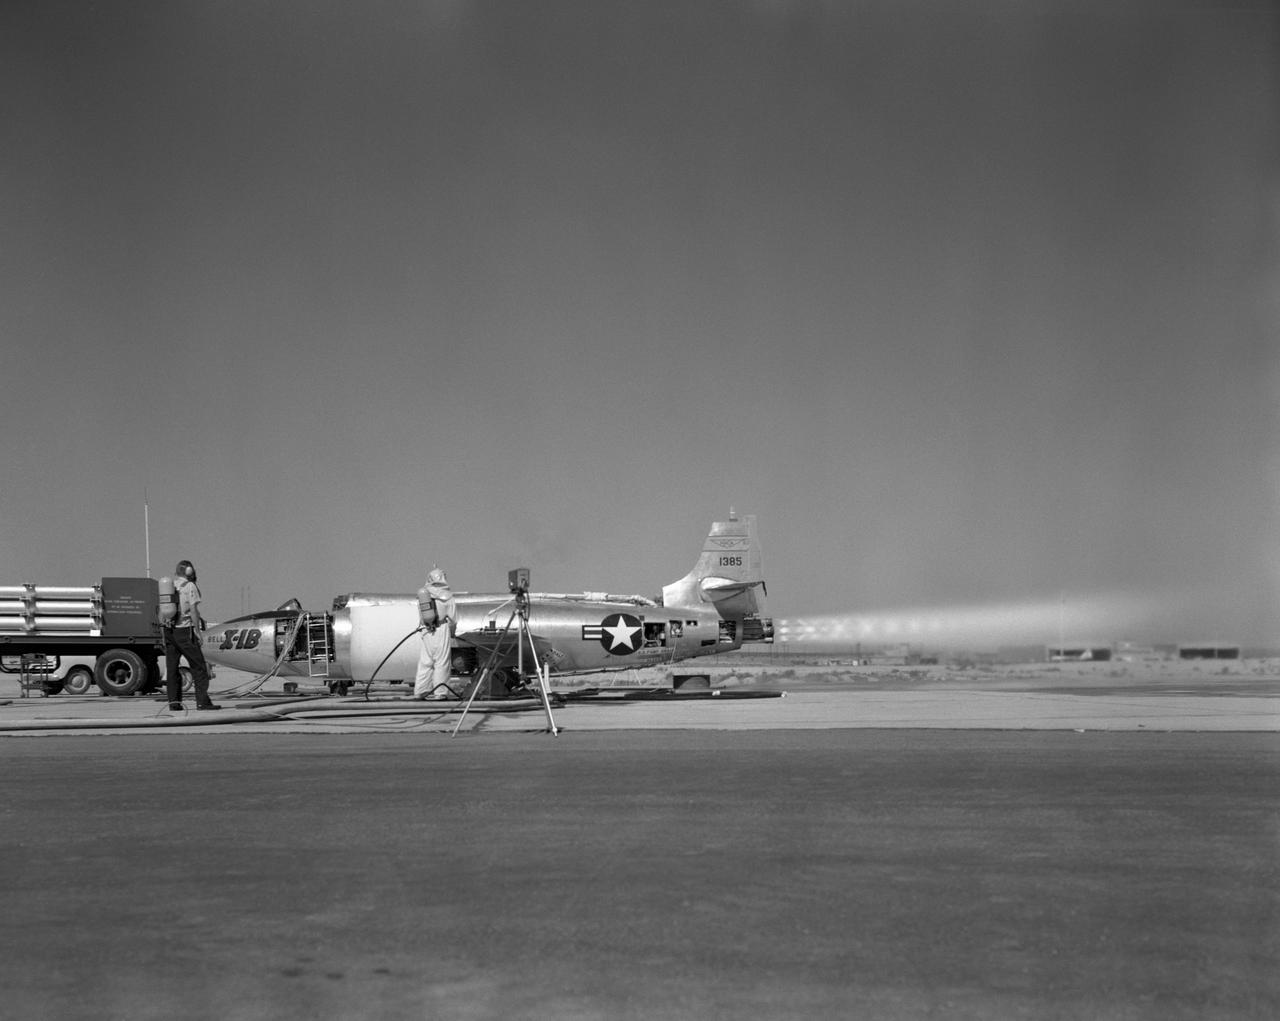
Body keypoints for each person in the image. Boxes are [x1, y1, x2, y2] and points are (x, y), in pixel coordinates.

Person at [165, 559, 219, 711]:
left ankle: (174, 704)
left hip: (169, 632)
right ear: (190, 572)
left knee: (172, 669)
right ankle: (203, 702)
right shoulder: (190, 586)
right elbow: (194, 611)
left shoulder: (170, 586)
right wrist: (198, 631)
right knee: (199, 667)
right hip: (185, 631)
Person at [413, 566, 456, 700]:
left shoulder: (423, 595)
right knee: (441, 662)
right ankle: (440, 692)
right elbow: (453, 619)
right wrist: (452, 633)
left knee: (426, 662)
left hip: (426, 630)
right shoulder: (447, 596)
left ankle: (420, 691)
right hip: (441, 628)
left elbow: (421, 616)